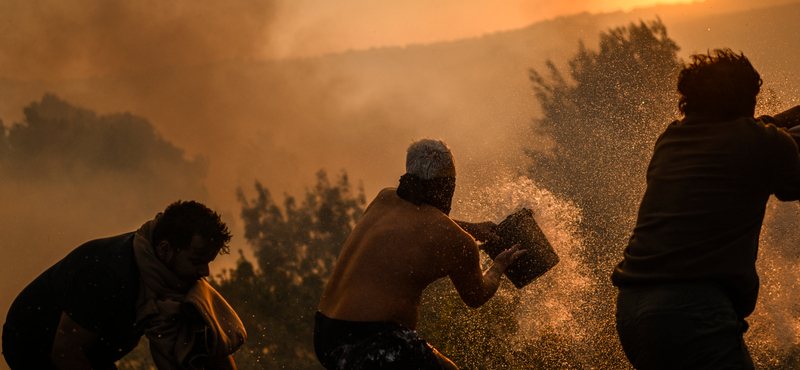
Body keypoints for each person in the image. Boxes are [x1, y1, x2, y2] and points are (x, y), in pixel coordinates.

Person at [611, 49, 800, 369]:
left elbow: (752, 133)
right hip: (691, 313)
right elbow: (781, 165)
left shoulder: (671, 138)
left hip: (632, 313)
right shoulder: (764, 145)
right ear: (744, 99)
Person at [315, 138, 526, 370]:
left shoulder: (384, 198)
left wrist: (472, 228)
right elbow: (476, 296)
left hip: (326, 335)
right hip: (372, 346)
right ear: (448, 187)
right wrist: (498, 265)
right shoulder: (458, 242)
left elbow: (418, 223)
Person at [2, 200, 246, 370]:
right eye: (197, 261)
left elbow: (211, 350)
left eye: (208, 262)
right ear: (164, 249)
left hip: (93, 350)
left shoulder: (173, 276)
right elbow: (66, 352)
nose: (205, 272)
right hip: (35, 349)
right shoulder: (107, 272)